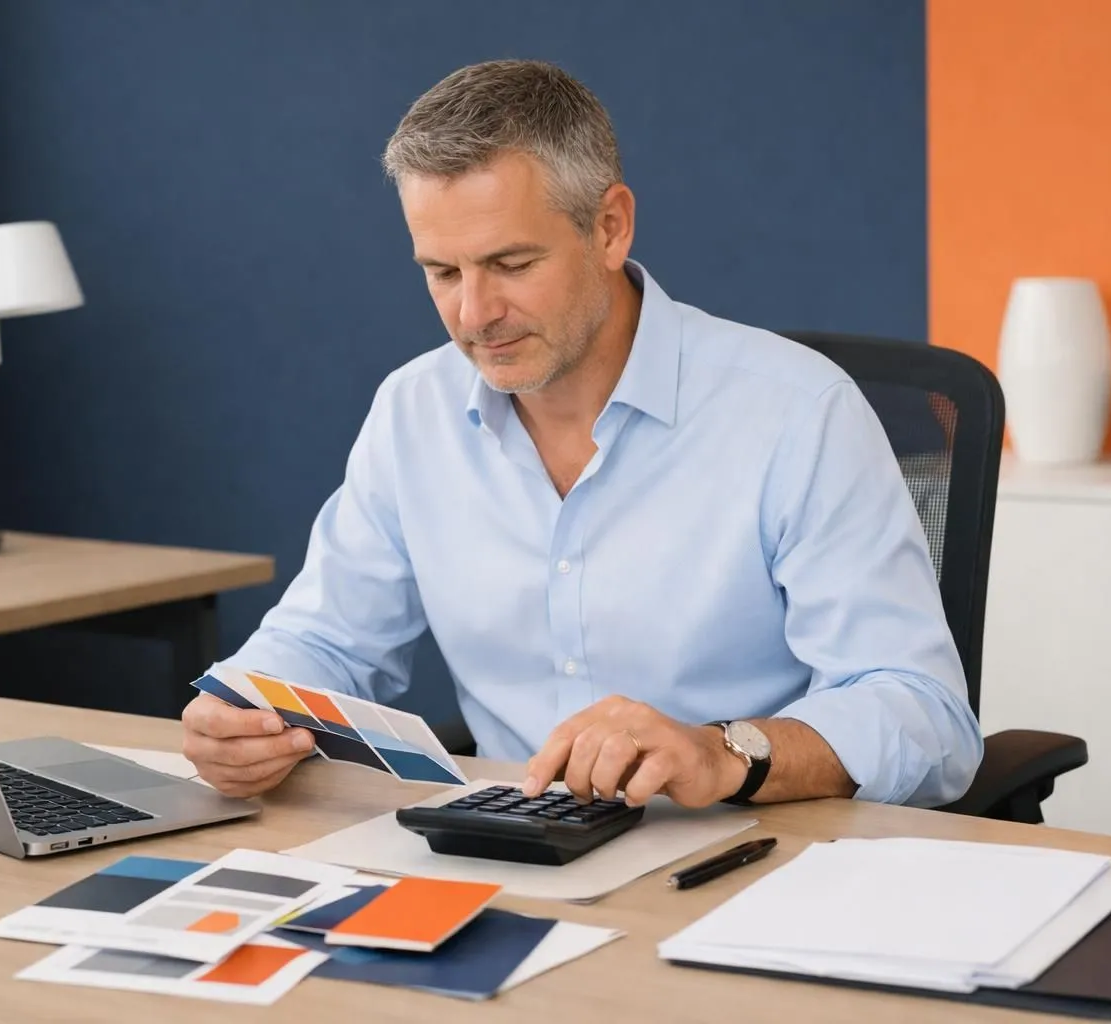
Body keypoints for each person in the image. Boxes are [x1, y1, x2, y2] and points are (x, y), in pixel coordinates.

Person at [181, 59, 982, 810]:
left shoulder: (797, 412)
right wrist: (242, 710)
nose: (474, 314)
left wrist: (722, 752)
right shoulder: (414, 411)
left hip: (745, 849)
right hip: (511, 848)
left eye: (511, 264)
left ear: (609, 227)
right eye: (443, 272)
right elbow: (328, 639)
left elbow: (924, 713)